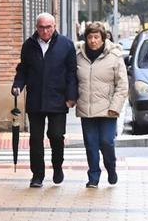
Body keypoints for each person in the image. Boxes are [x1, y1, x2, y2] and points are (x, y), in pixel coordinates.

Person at [12, 12, 78, 188]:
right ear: (36, 28)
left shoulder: (66, 45)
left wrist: (71, 97)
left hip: (58, 99)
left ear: (54, 26)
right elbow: (23, 69)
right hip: (35, 100)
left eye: (48, 27)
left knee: (56, 136)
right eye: (41, 27)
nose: (45, 31)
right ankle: (37, 175)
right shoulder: (29, 45)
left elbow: (72, 73)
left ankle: (57, 166)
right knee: (35, 139)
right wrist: (18, 85)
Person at [75, 22, 128, 188]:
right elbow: (71, 80)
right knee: (90, 145)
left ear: (103, 38)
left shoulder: (115, 56)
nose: (93, 40)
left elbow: (122, 85)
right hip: (86, 108)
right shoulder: (78, 56)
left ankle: (111, 169)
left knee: (106, 142)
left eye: (96, 37)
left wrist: (115, 106)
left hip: (108, 110)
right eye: (89, 37)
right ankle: (93, 177)